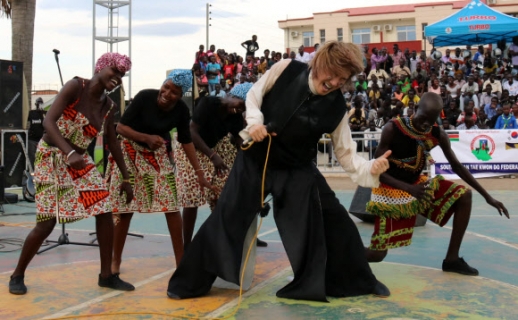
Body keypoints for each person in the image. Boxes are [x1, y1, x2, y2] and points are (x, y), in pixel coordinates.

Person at [167, 41, 392, 302]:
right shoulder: (286, 69)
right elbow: (254, 96)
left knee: (335, 218)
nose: (334, 83)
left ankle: (359, 280)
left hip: (296, 169)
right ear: (319, 64)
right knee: (226, 218)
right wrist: (255, 123)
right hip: (255, 161)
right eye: (332, 74)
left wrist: (371, 167)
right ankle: (188, 283)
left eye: (342, 79)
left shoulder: (337, 108)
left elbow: (346, 154)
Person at [9, 53, 136, 295]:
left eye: (122, 75)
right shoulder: (76, 86)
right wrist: (68, 153)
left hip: (79, 160)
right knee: (46, 223)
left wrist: (126, 178)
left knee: (104, 209)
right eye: (114, 71)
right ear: (101, 67)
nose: (118, 78)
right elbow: (48, 121)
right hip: (52, 155)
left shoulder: (109, 107)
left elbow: (113, 142)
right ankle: (18, 274)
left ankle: (106, 276)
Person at [364, 92, 509, 276]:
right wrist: (409, 189)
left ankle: (452, 259)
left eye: (431, 121)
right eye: (423, 118)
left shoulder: (437, 134)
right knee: (377, 254)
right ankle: (344, 252)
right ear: (416, 109)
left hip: (419, 187)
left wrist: (488, 196)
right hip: (391, 191)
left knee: (464, 195)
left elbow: (457, 166)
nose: (426, 125)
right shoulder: (392, 129)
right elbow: (376, 170)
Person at [106, 70, 214, 272]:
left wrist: (199, 172)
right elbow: (120, 128)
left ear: (181, 95)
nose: (167, 94)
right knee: (125, 209)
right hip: (129, 152)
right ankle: (115, 261)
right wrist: (145, 138)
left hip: (156, 156)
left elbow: (186, 140)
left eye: (174, 92)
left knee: (172, 207)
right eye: (166, 87)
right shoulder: (145, 97)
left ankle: (181, 264)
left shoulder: (181, 110)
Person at [178, 82, 255, 249]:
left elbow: (238, 138)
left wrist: (248, 148)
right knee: (193, 196)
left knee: (222, 192)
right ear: (232, 97)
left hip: (211, 148)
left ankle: (219, 238)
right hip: (190, 148)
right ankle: (186, 245)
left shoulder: (235, 116)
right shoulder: (209, 104)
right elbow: (192, 131)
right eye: (241, 104)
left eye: (245, 108)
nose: (241, 109)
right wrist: (212, 156)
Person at [27, 97, 47, 166]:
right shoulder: (31, 113)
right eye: (38, 103)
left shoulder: (45, 114)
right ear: (35, 104)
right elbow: (25, 120)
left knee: (41, 156)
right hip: (32, 139)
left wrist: (43, 114)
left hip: (41, 139)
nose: (39, 105)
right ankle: (32, 171)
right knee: (31, 156)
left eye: (41, 103)